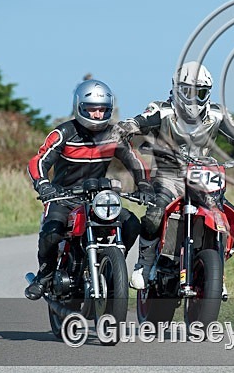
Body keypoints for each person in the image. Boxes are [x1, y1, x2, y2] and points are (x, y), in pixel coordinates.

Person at [117, 61, 234, 294]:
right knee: (155, 214)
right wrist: (127, 126)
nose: (194, 98)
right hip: (169, 175)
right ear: (177, 89)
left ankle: (216, 272)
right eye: (188, 91)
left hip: (203, 176)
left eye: (200, 92)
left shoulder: (217, 114)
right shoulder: (162, 110)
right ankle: (144, 265)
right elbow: (141, 121)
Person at [24, 79, 152, 300]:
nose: (97, 114)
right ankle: (44, 277)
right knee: (51, 233)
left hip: (98, 199)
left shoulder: (115, 135)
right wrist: (44, 185)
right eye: (92, 109)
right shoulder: (63, 133)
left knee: (131, 224)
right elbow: (38, 161)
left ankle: (113, 264)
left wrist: (145, 186)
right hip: (62, 197)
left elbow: (135, 162)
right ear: (80, 107)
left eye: (102, 109)